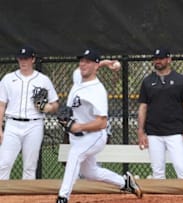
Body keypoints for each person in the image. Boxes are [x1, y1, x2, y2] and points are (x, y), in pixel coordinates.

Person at [56, 49, 141, 203]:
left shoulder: (97, 91)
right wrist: (106, 62)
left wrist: (79, 126)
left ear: (94, 66)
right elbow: (90, 67)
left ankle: (63, 197)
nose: (82, 64)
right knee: (91, 173)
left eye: (87, 61)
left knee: (75, 155)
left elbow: (102, 123)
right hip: (77, 136)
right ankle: (125, 183)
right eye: (81, 60)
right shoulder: (78, 77)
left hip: (94, 136)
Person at [0, 46, 59, 180]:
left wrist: (47, 108)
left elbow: (55, 104)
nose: (23, 62)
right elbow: (1, 105)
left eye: (26, 58)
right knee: (3, 164)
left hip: (34, 125)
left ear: (33, 59)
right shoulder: (8, 79)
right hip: (12, 124)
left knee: (30, 167)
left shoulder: (43, 80)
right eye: (20, 59)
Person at [137, 48, 183, 179]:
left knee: (181, 168)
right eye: (156, 59)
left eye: (161, 58)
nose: (158, 61)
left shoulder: (180, 79)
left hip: (175, 132)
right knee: (157, 171)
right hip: (153, 133)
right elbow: (143, 107)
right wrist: (141, 131)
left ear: (169, 59)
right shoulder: (147, 81)